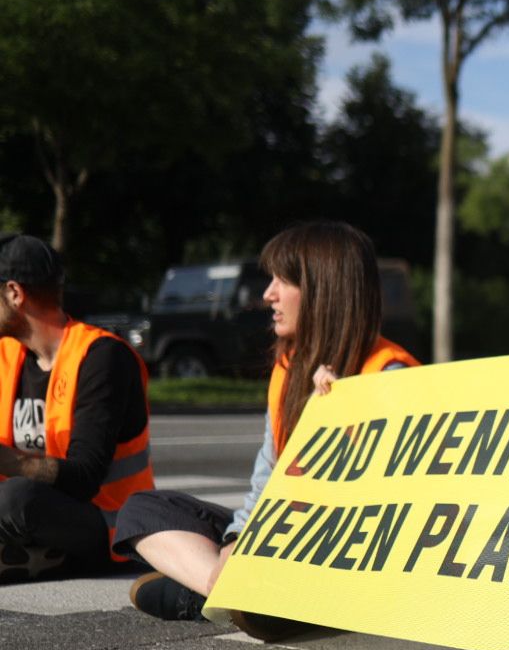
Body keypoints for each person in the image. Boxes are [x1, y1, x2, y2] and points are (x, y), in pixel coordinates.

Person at [117, 221, 418, 629]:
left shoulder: (389, 373)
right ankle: (230, 594)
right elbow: (266, 478)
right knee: (142, 510)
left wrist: (334, 418)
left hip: (342, 546)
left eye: (283, 281)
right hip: (282, 532)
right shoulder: (288, 367)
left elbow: (394, 506)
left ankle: (221, 596)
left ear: (324, 290)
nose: (268, 294)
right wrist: (235, 540)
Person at [0, 233, 156, 583]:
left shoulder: (102, 357)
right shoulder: (6, 354)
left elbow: (85, 477)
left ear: (14, 293)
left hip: (109, 523)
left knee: (16, 498)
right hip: (34, 518)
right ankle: (29, 556)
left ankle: (26, 555)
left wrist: (10, 461)